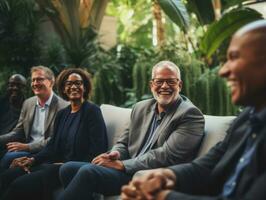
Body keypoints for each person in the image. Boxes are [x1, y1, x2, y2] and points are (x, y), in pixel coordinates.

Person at [121, 20, 266, 200]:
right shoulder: (246, 118)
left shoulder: (189, 114)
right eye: (159, 82)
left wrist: (163, 197)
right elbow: (207, 166)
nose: (223, 71)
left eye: (234, 57)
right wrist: (166, 176)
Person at [57, 61, 205, 200]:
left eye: (171, 81)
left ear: (179, 84)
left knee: (87, 172)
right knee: (67, 168)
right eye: (159, 81)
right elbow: (123, 141)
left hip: (150, 177)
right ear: (151, 85)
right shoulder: (141, 108)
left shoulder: (190, 115)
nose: (164, 86)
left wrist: (122, 165)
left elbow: (166, 156)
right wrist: (115, 155)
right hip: (128, 169)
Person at [0, 68, 108, 200]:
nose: (74, 87)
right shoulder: (63, 114)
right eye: (69, 84)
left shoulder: (92, 112)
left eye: (78, 83)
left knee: (18, 186)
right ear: (63, 89)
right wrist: (32, 160)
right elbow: (52, 146)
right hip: (52, 164)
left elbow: (98, 150)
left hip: (70, 169)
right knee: (7, 176)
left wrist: (65, 165)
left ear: (85, 87)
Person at [0, 66, 68, 170]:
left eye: (40, 79)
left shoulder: (63, 106)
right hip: (26, 150)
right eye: (33, 80)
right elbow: (18, 131)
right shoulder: (28, 103)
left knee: (9, 157)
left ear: (51, 82)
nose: (35, 83)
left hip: (46, 152)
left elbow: (54, 139)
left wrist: (27, 147)